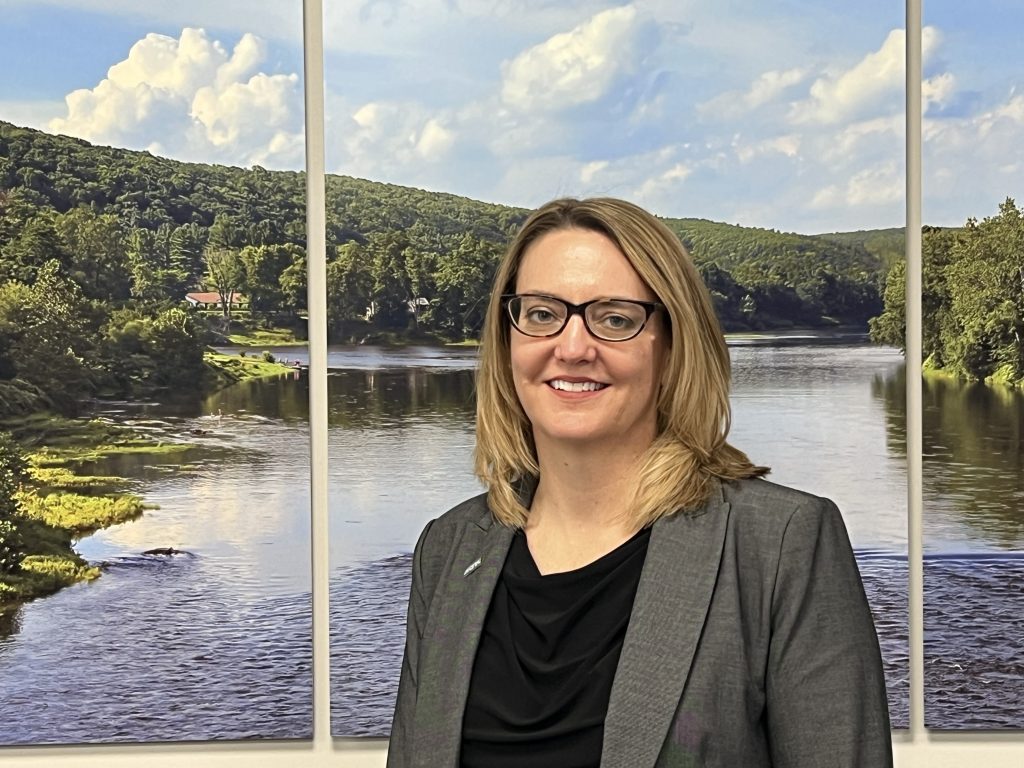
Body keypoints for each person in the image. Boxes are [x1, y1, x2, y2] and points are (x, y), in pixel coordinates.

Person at [386, 197, 892, 767]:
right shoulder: (450, 547)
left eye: (615, 319)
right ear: (508, 341)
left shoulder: (780, 544)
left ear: (673, 346)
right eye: (542, 314)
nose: (572, 347)